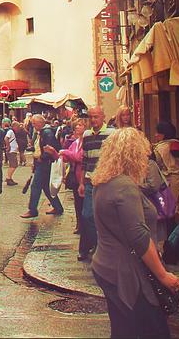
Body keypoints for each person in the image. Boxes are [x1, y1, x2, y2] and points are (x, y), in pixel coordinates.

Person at [92, 128, 179, 338]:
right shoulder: (124, 187)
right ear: (133, 154)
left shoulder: (104, 182)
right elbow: (138, 236)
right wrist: (163, 275)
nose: (146, 158)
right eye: (143, 153)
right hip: (125, 271)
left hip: (108, 265)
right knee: (152, 330)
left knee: (124, 330)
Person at [78, 107, 114, 261]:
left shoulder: (111, 134)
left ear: (103, 117)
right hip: (89, 181)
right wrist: (81, 182)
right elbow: (84, 160)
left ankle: (103, 247)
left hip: (105, 181)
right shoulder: (87, 135)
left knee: (104, 215)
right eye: (91, 117)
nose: (93, 120)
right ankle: (98, 245)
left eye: (96, 117)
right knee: (87, 215)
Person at [21, 115, 64, 218]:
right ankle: (58, 207)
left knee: (35, 186)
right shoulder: (43, 132)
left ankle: (32, 210)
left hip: (45, 163)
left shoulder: (47, 133)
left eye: (34, 124)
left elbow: (50, 148)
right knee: (46, 187)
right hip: (42, 163)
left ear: (40, 123)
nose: (33, 126)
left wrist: (42, 158)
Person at [152, 122, 179, 225]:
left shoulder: (159, 148)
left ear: (163, 134)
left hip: (169, 183)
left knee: (170, 212)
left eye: (158, 133)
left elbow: (156, 165)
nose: (155, 135)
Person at [56, 118, 86, 234]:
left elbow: (79, 157)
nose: (78, 127)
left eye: (81, 125)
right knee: (78, 203)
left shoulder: (86, 141)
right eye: (76, 125)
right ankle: (79, 224)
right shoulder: (75, 143)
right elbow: (69, 156)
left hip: (83, 176)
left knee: (84, 203)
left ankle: (84, 225)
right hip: (75, 177)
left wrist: (64, 152)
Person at [3, 120, 20, 186]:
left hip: (13, 150)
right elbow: (6, 138)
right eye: (17, 126)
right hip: (11, 151)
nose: (18, 128)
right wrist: (8, 146)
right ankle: (8, 178)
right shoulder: (10, 131)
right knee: (14, 165)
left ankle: (9, 177)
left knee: (12, 165)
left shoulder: (12, 132)